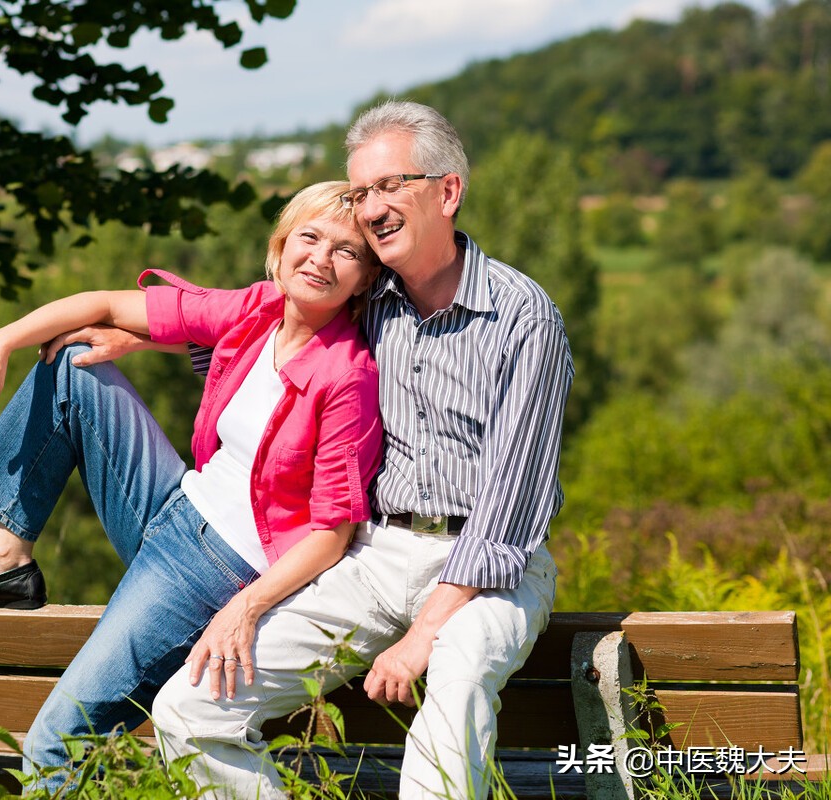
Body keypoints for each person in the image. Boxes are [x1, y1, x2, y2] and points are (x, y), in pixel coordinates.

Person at [59, 100, 574, 799]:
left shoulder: (522, 318)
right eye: (362, 193)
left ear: (448, 191)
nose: (372, 208)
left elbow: (512, 509)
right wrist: (144, 337)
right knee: (191, 707)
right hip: (374, 556)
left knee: (455, 681)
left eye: (392, 185)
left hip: (487, 567)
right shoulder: (369, 294)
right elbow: (264, 321)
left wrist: (424, 633)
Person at [0, 181, 385, 794]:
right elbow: (105, 302)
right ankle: (6, 554)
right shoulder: (259, 309)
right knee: (74, 363)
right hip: (172, 505)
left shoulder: (348, 373)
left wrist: (245, 608)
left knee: (54, 745)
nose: (321, 258)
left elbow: (333, 533)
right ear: (280, 246)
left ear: (365, 278)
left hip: (214, 570)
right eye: (310, 238)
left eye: (346, 251)